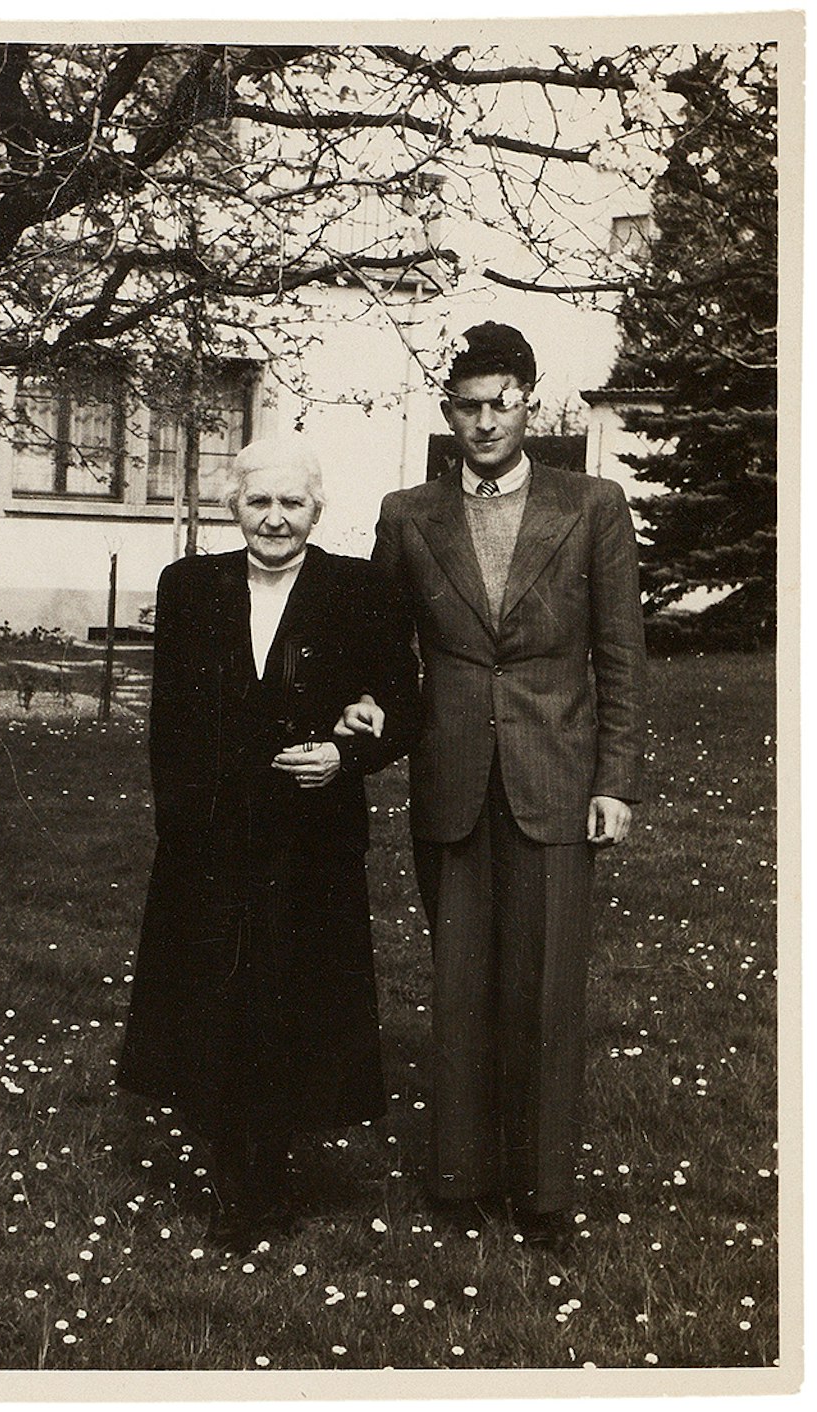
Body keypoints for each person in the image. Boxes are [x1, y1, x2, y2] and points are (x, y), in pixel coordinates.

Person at [344, 322, 646, 1246]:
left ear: (529, 405)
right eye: (467, 406)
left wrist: (617, 781)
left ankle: (543, 1191)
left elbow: (621, 657)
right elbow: (384, 654)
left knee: (545, 989)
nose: (484, 422)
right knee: (462, 983)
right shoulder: (408, 513)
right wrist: (363, 713)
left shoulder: (592, 504)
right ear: (449, 413)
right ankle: (460, 1176)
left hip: (558, 779)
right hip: (453, 780)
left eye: (501, 404)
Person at [117, 436, 419, 1251]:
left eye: (292, 503)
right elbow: (170, 717)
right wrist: (179, 823)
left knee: (291, 999)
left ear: (317, 510)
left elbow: (404, 702)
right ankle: (231, 1175)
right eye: (259, 502)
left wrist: (348, 752)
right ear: (234, 508)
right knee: (215, 995)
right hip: (211, 835)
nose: (275, 518)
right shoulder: (191, 586)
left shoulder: (359, 588)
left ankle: (271, 1170)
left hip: (310, 839)